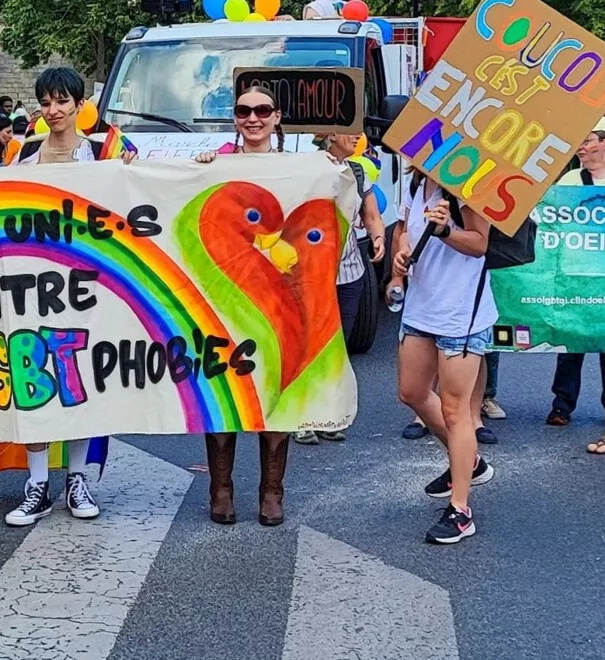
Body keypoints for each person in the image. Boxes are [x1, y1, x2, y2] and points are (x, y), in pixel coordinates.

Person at [3, 67, 135, 528]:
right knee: (32, 377)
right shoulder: (21, 154)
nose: (53, 110)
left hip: (88, 286)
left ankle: (76, 478)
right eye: (46, 102)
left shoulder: (107, 151)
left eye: (62, 101)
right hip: (30, 285)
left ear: (81, 104)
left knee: (80, 380)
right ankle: (37, 482)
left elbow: (149, 187)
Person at [192, 88, 294, 527]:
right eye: (243, 111)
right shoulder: (217, 163)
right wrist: (194, 174)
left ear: (276, 118)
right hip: (225, 297)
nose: (253, 118)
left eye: (262, 111)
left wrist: (334, 171)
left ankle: (272, 490)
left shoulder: (298, 167)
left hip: (277, 298)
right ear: (234, 118)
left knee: (274, 393)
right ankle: (221, 487)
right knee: (224, 391)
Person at [387, 170, 497, 545]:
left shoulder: (469, 183)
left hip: (460, 314)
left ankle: (461, 510)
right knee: (412, 393)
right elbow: (403, 228)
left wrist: (447, 229)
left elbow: (480, 243)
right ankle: (470, 462)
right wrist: (399, 262)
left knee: (455, 408)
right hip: (421, 307)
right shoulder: (416, 181)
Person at [294, 134, 386, 445]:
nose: (358, 136)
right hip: (310, 274)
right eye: (351, 130)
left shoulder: (357, 172)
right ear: (331, 135)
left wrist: (378, 237)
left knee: (337, 348)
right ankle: (301, 418)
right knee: (308, 344)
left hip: (349, 272)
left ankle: (327, 416)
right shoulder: (305, 168)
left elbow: (371, 214)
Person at [546, 118, 605, 447]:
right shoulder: (572, 179)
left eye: (589, 141)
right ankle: (562, 404)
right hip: (577, 269)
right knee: (572, 337)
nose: (582, 147)